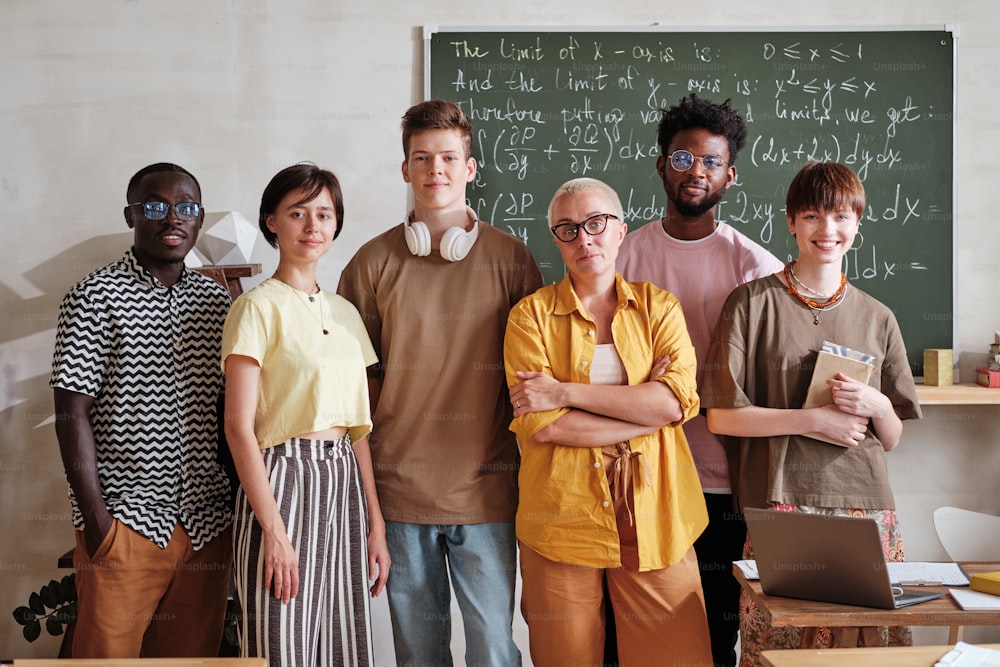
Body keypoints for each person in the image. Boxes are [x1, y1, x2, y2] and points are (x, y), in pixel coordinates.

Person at [337, 99, 542, 666]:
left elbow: (535, 380)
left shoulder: (513, 260)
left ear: (471, 168)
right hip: (399, 492)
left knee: (495, 649)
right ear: (405, 169)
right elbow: (356, 388)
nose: (436, 170)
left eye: (449, 157)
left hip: (488, 491)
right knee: (417, 654)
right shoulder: (369, 263)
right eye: (422, 158)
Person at [701, 161, 922, 666]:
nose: (829, 231)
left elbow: (890, 437)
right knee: (778, 644)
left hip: (865, 505)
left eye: (842, 217)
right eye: (814, 216)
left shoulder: (877, 316)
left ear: (858, 225)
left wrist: (879, 404)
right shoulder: (751, 304)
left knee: (866, 647)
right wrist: (813, 419)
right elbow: (722, 416)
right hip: (780, 501)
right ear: (791, 222)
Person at [504, 177, 713, 667]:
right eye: (568, 229)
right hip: (561, 515)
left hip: (657, 510)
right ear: (555, 239)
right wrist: (645, 410)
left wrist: (565, 393)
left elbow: (676, 402)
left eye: (596, 223)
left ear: (621, 230)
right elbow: (548, 427)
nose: (585, 239)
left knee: (677, 659)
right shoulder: (529, 317)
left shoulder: (660, 308)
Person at [616, 93, 784, 667]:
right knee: (629, 628)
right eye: (683, 159)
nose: (696, 173)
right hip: (638, 471)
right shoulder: (622, 256)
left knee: (714, 629)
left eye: (711, 162)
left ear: (730, 175)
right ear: (662, 164)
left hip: (723, 480)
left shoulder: (756, 267)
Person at [51, 162, 233, 658]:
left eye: (187, 208)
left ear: (198, 219)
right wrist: (98, 524)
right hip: (126, 522)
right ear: (131, 214)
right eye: (156, 206)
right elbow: (71, 413)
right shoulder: (94, 297)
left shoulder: (217, 304)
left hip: (206, 526)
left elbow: (229, 415)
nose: (173, 218)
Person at [222, 163, 389, 667]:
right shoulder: (255, 308)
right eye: (298, 213)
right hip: (283, 480)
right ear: (272, 221)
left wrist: (376, 525)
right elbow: (238, 427)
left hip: (344, 483)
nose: (313, 226)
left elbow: (358, 430)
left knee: (343, 644)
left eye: (324, 214)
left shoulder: (346, 313)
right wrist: (273, 531)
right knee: (281, 644)